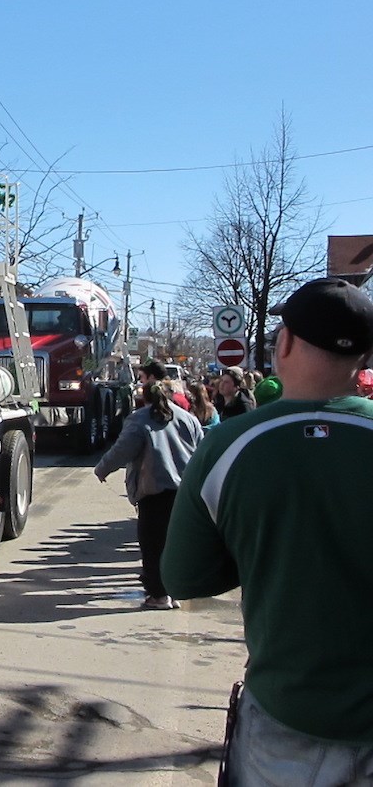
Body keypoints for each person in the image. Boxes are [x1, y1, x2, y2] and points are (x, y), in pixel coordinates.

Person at [163, 277, 373, 782]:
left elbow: (183, 578)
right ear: (364, 357)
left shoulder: (230, 445)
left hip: (288, 718)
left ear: (284, 343)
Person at [94, 380, 204, 610]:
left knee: (153, 546)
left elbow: (123, 449)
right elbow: (202, 451)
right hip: (184, 493)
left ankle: (158, 595)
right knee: (176, 545)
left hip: (154, 492)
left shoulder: (140, 419)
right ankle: (175, 591)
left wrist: (103, 468)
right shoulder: (188, 419)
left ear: (143, 398)